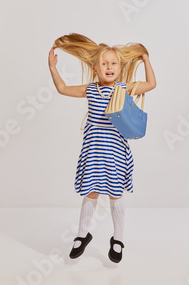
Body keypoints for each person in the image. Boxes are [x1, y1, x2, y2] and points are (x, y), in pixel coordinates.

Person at [48, 33, 156, 263]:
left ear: (120, 67)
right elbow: (62, 88)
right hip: (94, 151)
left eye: (114, 63)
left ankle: (118, 239)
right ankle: (82, 235)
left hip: (115, 154)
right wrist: (52, 67)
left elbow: (151, 84)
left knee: (116, 195)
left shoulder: (123, 88)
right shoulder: (90, 89)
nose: (109, 67)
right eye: (104, 64)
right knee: (91, 193)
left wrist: (146, 60)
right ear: (95, 69)